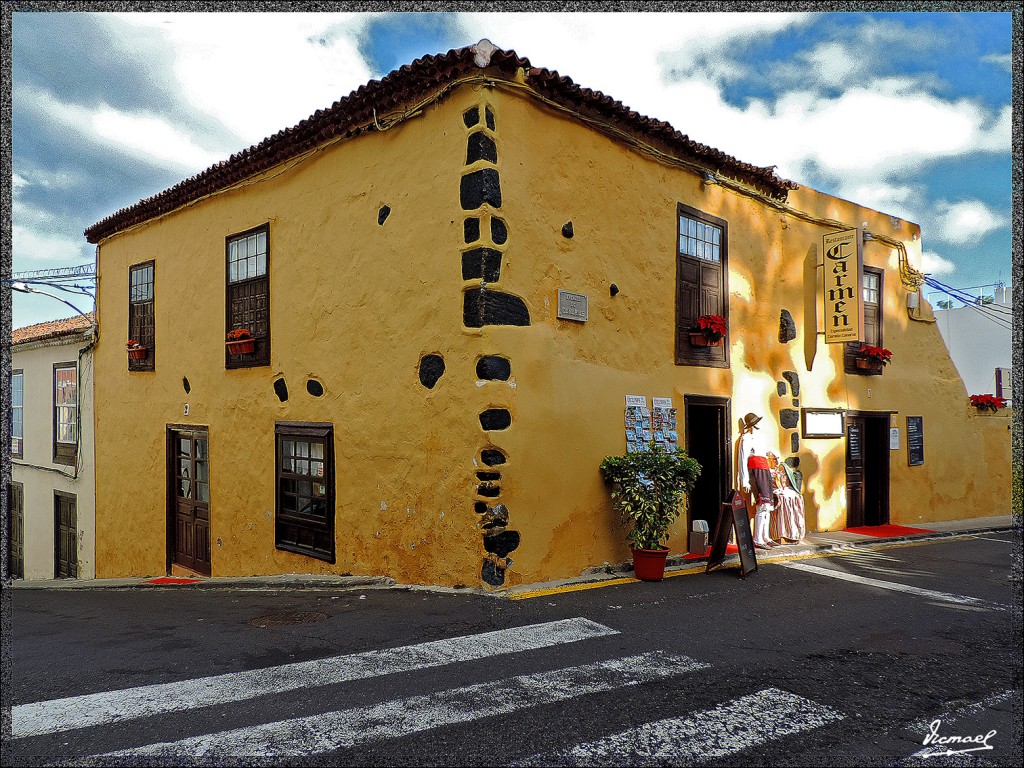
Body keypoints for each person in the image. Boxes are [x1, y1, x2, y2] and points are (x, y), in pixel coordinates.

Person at [737, 412, 780, 549]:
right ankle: (758, 538)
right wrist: (744, 480)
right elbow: (743, 460)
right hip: (756, 471)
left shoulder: (759, 438)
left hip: (764, 469)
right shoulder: (746, 438)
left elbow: (767, 452)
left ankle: (765, 536)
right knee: (762, 505)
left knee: (767, 505)